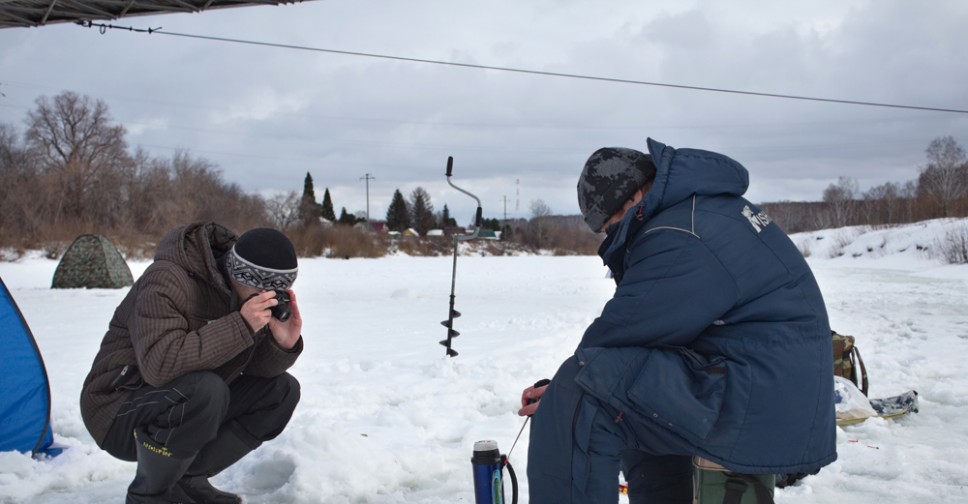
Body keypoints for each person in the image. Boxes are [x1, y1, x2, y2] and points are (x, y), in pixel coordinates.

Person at [519, 139, 837, 503]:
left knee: (584, 398)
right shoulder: (701, 211)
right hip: (769, 390)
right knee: (630, 396)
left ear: (635, 198)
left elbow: (625, 329)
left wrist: (562, 389)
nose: (611, 237)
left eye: (610, 227)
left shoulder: (681, 232)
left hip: (759, 398)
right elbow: (643, 337)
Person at [80, 222, 304, 504]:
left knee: (281, 391)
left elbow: (252, 369)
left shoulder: (244, 294)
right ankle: (151, 495)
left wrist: (280, 344)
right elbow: (159, 365)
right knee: (206, 389)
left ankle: (187, 480)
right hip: (117, 408)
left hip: (185, 401)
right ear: (241, 274)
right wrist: (241, 325)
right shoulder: (167, 280)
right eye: (268, 288)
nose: (272, 297)